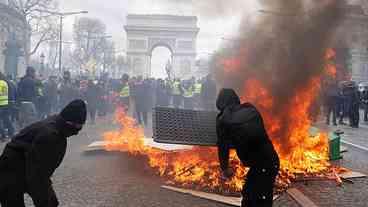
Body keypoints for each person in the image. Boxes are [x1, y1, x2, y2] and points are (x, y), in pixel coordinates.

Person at [0, 99, 87, 207]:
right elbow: (37, 174)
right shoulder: (50, 135)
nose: (78, 131)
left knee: (50, 201)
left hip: (24, 165)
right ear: (70, 122)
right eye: (78, 126)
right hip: (10, 169)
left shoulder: (58, 125)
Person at [216, 89, 279, 207]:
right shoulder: (250, 108)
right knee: (256, 197)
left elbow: (223, 146)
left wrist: (225, 168)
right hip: (271, 160)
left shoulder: (223, 119)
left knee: (253, 199)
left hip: (260, 165)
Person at [0, 72, 15, 141]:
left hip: (0, 104)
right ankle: (11, 132)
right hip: (6, 103)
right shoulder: (5, 82)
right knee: (6, 119)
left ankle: (3, 135)